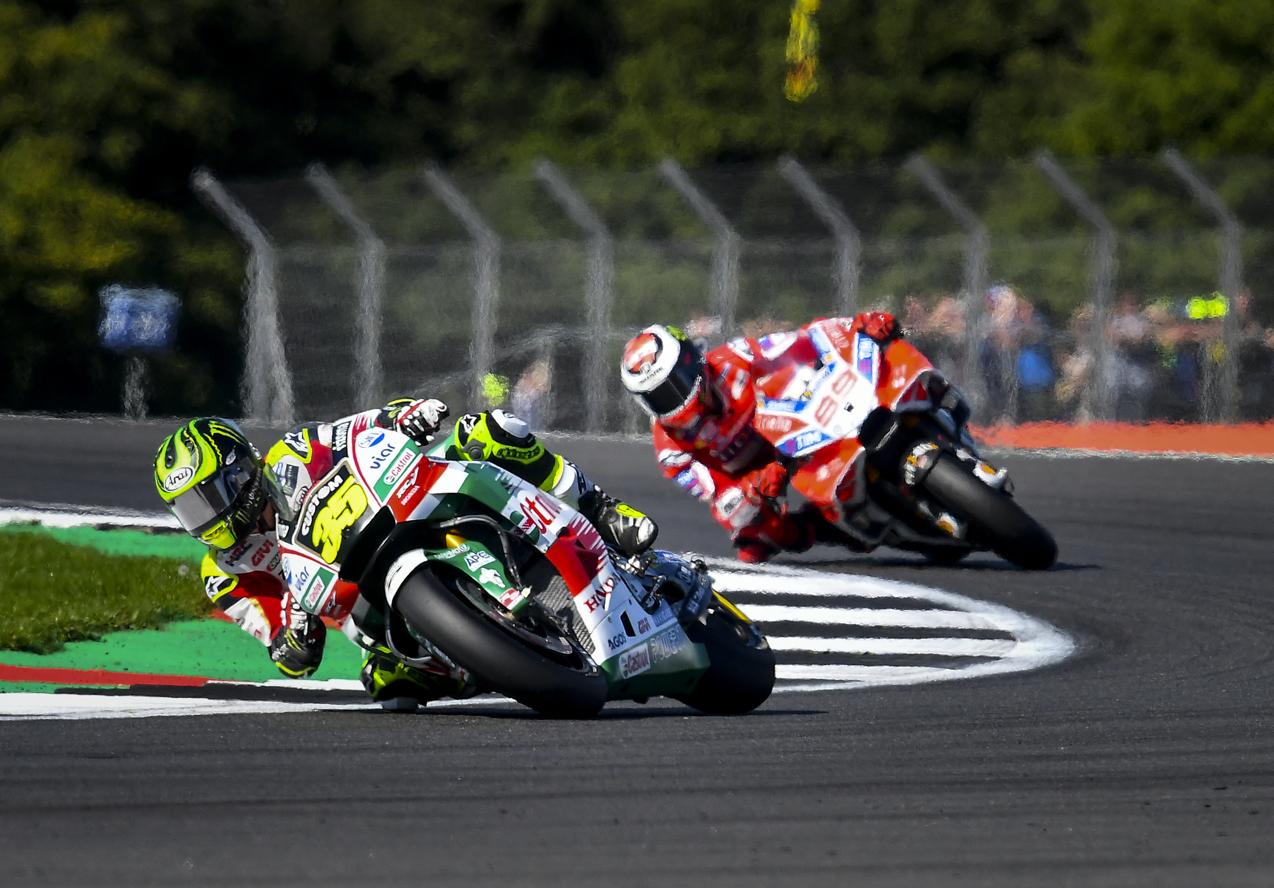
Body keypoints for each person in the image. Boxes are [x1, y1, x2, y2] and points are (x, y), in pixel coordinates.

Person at [152, 399, 657, 710]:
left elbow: (357, 428)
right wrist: (296, 635)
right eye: (190, 509)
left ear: (240, 472)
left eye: (209, 496)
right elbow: (286, 655)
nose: (206, 517)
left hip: (402, 509)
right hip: (370, 608)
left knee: (489, 431)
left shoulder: (291, 454)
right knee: (385, 686)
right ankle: (485, 658)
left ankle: (599, 507)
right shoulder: (225, 573)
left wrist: (404, 416)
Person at [619, 312, 903, 564]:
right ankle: (827, 530)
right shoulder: (671, 451)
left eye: (676, 383)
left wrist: (856, 327)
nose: (674, 399)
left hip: (797, 426)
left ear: (691, 360)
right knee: (753, 538)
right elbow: (722, 501)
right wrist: (754, 487)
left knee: (877, 366)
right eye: (658, 397)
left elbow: (801, 341)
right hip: (757, 475)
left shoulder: (735, 357)